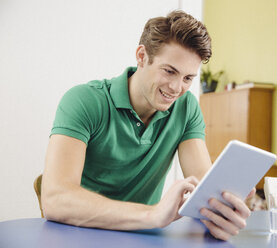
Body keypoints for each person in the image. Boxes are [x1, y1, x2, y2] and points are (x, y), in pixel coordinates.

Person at [41, 10, 255, 241]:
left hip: (143, 237)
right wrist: (152, 214)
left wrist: (221, 210)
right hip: (77, 235)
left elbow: (204, 189)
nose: (176, 88)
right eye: (169, 71)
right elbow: (55, 200)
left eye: (187, 78)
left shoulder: (186, 106)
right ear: (142, 56)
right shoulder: (84, 101)